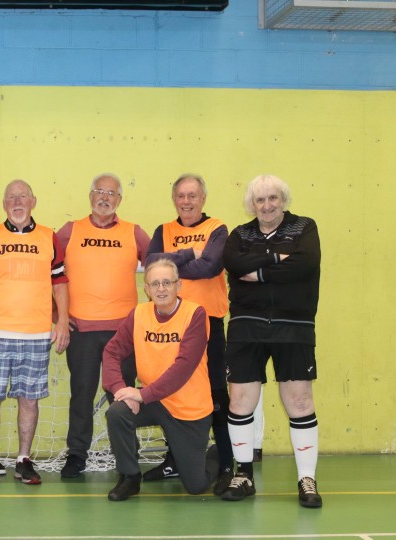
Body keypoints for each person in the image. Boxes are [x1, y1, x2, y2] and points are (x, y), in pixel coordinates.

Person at [219, 174, 323, 508]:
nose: (267, 205)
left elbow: (305, 264)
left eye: (273, 198)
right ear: (252, 204)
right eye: (260, 200)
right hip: (246, 326)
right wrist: (278, 258)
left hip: (294, 326)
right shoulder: (240, 234)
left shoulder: (304, 227)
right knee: (239, 401)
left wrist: (260, 272)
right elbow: (234, 264)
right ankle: (243, 474)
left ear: (283, 200)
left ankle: (306, 479)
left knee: (300, 402)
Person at [0, 179, 69, 487]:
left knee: (29, 400)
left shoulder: (48, 236)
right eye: (11, 197)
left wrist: (62, 321)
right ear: (4, 204)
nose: (17, 202)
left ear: (33, 201)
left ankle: (23, 459)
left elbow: (60, 283)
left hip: (36, 335)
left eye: (23, 197)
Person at [56, 173, 150, 478]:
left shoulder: (134, 232)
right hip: (81, 331)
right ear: (90, 196)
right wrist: (57, 316)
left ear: (119, 199)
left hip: (123, 333)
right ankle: (76, 455)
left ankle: (128, 454)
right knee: (81, 393)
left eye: (111, 193)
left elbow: (160, 269)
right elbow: (48, 272)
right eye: (99, 191)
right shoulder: (70, 231)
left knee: (122, 395)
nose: (104, 198)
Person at [144, 173, 233, 492]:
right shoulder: (164, 230)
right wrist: (188, 255)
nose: (186, 201)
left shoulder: (217, 229)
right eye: (181, 196)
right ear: (174, 199)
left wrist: (168, 266)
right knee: (171, 392)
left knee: (216, 394)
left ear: (203, 198)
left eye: (192, 195)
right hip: (170, 324)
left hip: (208, 323)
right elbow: (150, 263)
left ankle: (227, 464)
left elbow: (210, 266)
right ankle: (174, 461)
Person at [102, 259, 216, 501]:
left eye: (167, 283)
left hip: (188, 408)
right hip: (156, 401)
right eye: (155, 284)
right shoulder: (139, 314)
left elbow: (184, 367)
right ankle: (130, 477)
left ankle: (218, 454)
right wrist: (121, 390)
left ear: (179, 286)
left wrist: (142, 395)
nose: (161, 289)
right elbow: (111, 352)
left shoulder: (195, 314)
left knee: (196, 486)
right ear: (147, 289)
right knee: (118, 412)